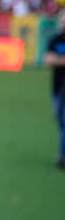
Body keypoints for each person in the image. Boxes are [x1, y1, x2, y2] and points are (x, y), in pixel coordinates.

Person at [44, 10, 65, 168]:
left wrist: (57, 60)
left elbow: (53, 59)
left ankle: (63, 156)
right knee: (60, 119)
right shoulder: (55, 40)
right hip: (57, 88)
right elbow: (48, 59)